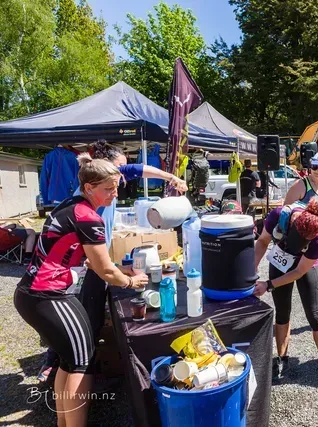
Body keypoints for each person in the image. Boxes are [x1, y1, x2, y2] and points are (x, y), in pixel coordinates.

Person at [15, 154, 149, 426]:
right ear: (90, 188)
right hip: (47, 294)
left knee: (70, 358)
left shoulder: (72, 205)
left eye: (117, 186)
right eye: (109, 188)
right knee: (81, 361)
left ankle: (65, 423)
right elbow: (105, 271)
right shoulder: (89, 218)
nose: (115, 193)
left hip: (36, 292)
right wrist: (132, 282)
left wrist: (117, 270)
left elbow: (90, 259)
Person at [38, 141, 188, 383]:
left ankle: (81, 358)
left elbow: (140, 169)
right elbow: (89, 254)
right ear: (104, 167)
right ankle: (65, 361)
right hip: (83, 264)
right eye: (119, 169)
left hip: (95, 257)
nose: (121, 178)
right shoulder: (87, 203)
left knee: (89, 310)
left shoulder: (108, 180)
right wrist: (123, 277)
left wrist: (171, 177)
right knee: (82, 312)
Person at [253, 199, 318, 390]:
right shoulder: (279, 216)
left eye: (304, 244)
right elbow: (262, 242)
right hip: (280, 259)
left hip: (304, 267)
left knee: (315, 316)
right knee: (282, 313)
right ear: (292, 224)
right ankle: (282, 359)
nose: (301, 246)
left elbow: (299, 272)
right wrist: (251, 272)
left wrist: (268, 284)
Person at [283, 152, 318, 331]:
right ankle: (310, 317)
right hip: (305, 242)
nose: (316, 171)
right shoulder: (300, 185)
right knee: (307, 281)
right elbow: (285, 213)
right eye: (314, 166)